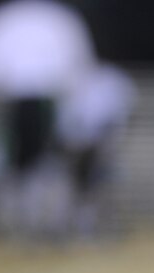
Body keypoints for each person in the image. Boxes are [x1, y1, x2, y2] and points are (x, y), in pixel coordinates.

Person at [0, 0, 95, 239]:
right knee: (19, 167)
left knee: (46, 166)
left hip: (46, 101)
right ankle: (23, 221)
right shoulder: (5, 21)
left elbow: (79, 71)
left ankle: (47, 221)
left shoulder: (56, 20)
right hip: (18, 103)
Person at [57, 62, 136, 237]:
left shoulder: (112, 79)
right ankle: (80, 223)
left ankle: (104, 223)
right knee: (80, 184)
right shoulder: (75, 77)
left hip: (103, 140)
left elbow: (123, 112)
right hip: (78, 141)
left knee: (103, 184)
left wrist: (110, 138)